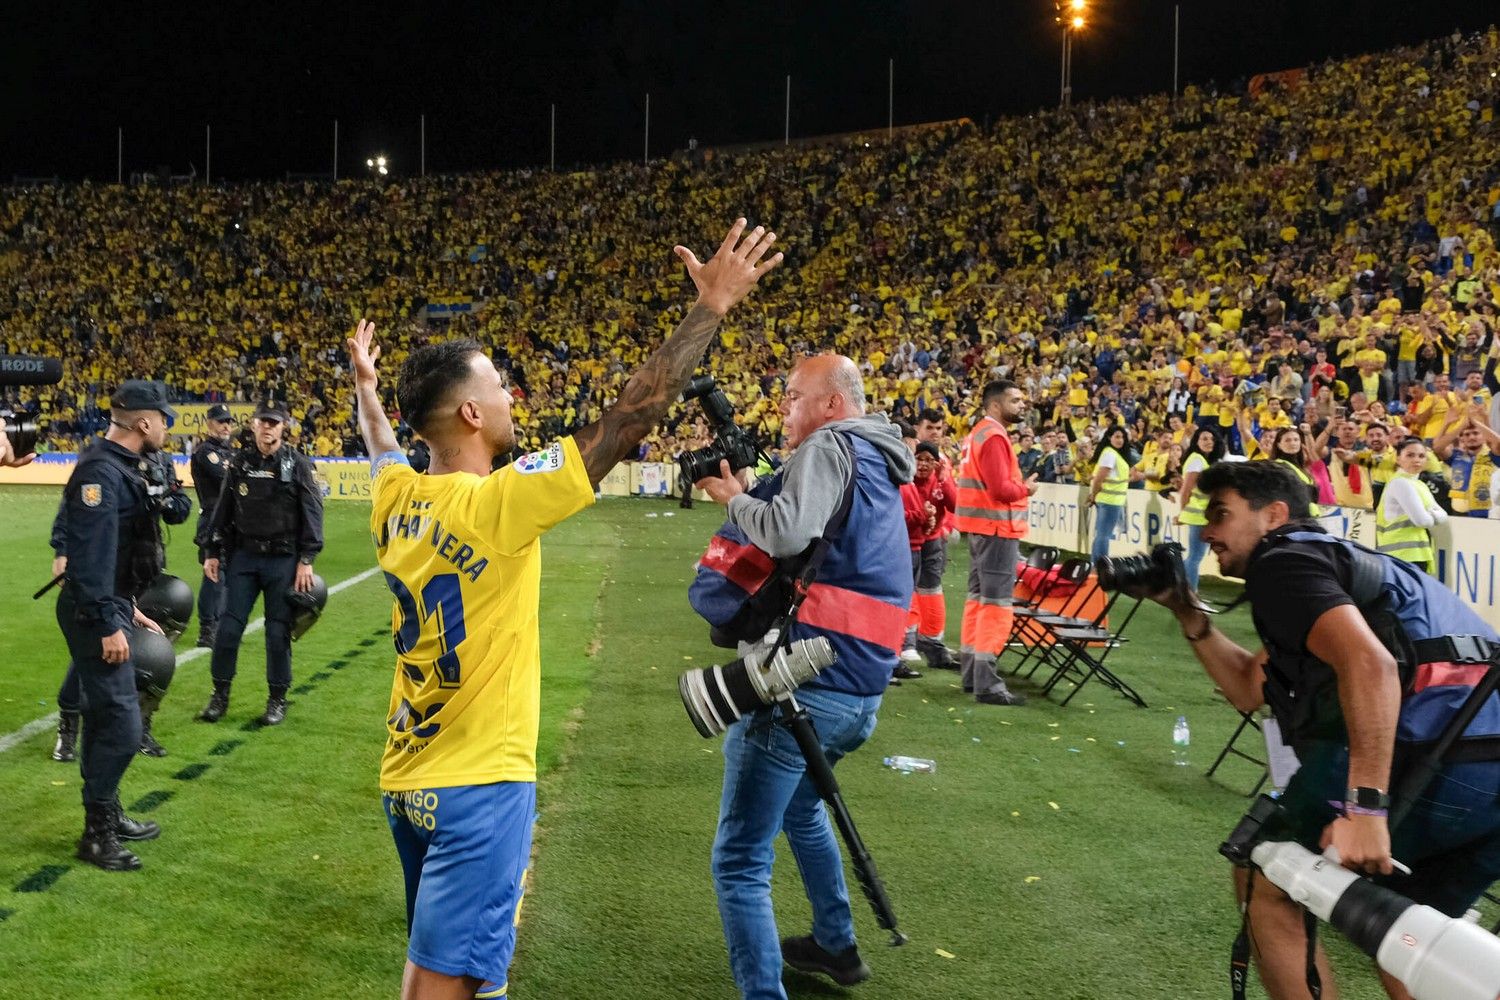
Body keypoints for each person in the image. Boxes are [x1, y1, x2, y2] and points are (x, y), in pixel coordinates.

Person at [350, 219, 782, 1000]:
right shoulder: (498, 506)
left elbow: (383, 446)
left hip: (407, 777)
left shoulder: (395, 500)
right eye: (499, 387)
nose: (512, 395)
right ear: (472, 417)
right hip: (479, 789)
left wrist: (368, 389)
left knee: (473, 979)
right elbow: (629, 418)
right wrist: (709, 309)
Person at [1150, 460, 1500, 1000]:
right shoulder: (1343, 563)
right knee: (1414, 939)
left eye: (1220, 514)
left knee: (1268, 874)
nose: (1206, 532)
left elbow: (1372, 666)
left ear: (1274, 515)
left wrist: (1365, 808)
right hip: (1484, 768)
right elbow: (1250, 684)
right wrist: (1186, 611)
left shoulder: (1283, 563)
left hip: (1436, 759)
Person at [695, 352, 913, 1000]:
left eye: (792, 396)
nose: (784, 408)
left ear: (831, 405)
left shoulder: (829, 447)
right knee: (801, 808)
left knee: (738, 860)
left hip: (807, 683)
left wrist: (737, 500)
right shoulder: (878, 457)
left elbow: (789, 532)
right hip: (860, 692)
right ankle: (835, 944)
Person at [54, 380, 177, 870]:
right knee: (124, 727)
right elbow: (93, 559)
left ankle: (107, 812)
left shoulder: (121, 465)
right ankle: (96, 834)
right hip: (93, 613)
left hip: (109, 606)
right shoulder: (102, 473)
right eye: (163, 420)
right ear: (144, 423)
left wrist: (127, 607)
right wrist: (109, 622)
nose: (166, 428)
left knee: (107, 718)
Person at [198, 401, 324, 726]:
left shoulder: (296, 463)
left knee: (277, 634)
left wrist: (307, 558)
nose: (267, 427)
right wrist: (212, 551)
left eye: (274, 422)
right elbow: (223, 508)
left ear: (283, 426)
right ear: (253, 425)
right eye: (262, 422)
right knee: (227, 629)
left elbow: (312, 510)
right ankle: (219, 695)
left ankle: (277, 699)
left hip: (283, 559)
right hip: (245, 557)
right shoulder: (239, 462)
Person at [954, 380, 1035, 706]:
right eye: (1015, 400)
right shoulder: (995, 436)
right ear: (996, 404)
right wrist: (1026, 489)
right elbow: (1002, 489)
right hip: (997, 529)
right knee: (996, 605)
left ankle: (973, 674)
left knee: (977, 601)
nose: (1022, 405)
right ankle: (988, 684)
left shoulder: (978, 433)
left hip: (980, 529)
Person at [902, 440, 959, 670]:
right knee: (908, 591)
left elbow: (956, 505)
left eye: (928, 460)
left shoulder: (941, 479)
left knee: (931, 589)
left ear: (936, 463)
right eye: (919, 458)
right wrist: (924, 517)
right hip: (909, 542)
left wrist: (945, 481)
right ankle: (907, 643)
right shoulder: (905, 478)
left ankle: (932, 643)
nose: (923, 464)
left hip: (932, 541)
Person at [190, 403, 238, 647]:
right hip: (212, 519)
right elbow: (228, 477)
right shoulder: (205, 452)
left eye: (229, 421)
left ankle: (221, 625)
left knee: (229, 575)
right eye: (221, 421)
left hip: (231, 520)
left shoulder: (229, 452)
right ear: (209, 424)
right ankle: (207, 629)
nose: (226, 426)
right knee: (214, 574)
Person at [1376, 437, 1448, 576]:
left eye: (1421, 456)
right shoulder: (1400, 483)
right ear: (1398, 459)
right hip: (1401, 556)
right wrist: (1433, 514)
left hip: (1416, 554)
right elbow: (1423, 521)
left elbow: (1443, 516)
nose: (1417, 459)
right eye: (1410, 455)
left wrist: (1430, 514)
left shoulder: (1420, 485)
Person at [1175, 426, 1225, 588]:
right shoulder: (1197, 460)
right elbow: (1186, 490)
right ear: (1196, 441)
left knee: (1194, 556)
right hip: (1198, 516)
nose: (1209, 442)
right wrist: (1182, 513)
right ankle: (1190, 593)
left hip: (1201, 515)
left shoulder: (1201, 460)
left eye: (1211, 439)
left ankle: (1184, 589)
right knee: (1195, 557)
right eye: (1204, 438)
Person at [1085, 425, 1133, 561]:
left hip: (1108, 499)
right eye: (1117, 437)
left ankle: (1096, 564)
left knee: (1101, 534)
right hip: (1110, 500)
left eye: (1122, 437)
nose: (1120, 440)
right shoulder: (1111, 454)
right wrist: (1093, 496)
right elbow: (1099, 479)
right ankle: (1101, 566)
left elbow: (1109, 478)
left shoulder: (1111, 453)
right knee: (1104, 535)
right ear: (1109, 437)